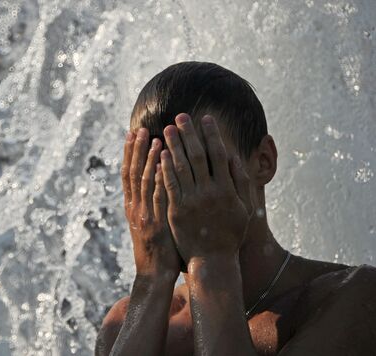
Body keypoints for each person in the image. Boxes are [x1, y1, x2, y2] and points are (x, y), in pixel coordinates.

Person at [95, 61, 376, 356]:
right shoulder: (126, 324)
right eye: (156, 172)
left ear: (263, 161)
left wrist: (212, 261)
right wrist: (152, 276)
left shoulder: (350, 298)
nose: (176, 192)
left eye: (199, 167)